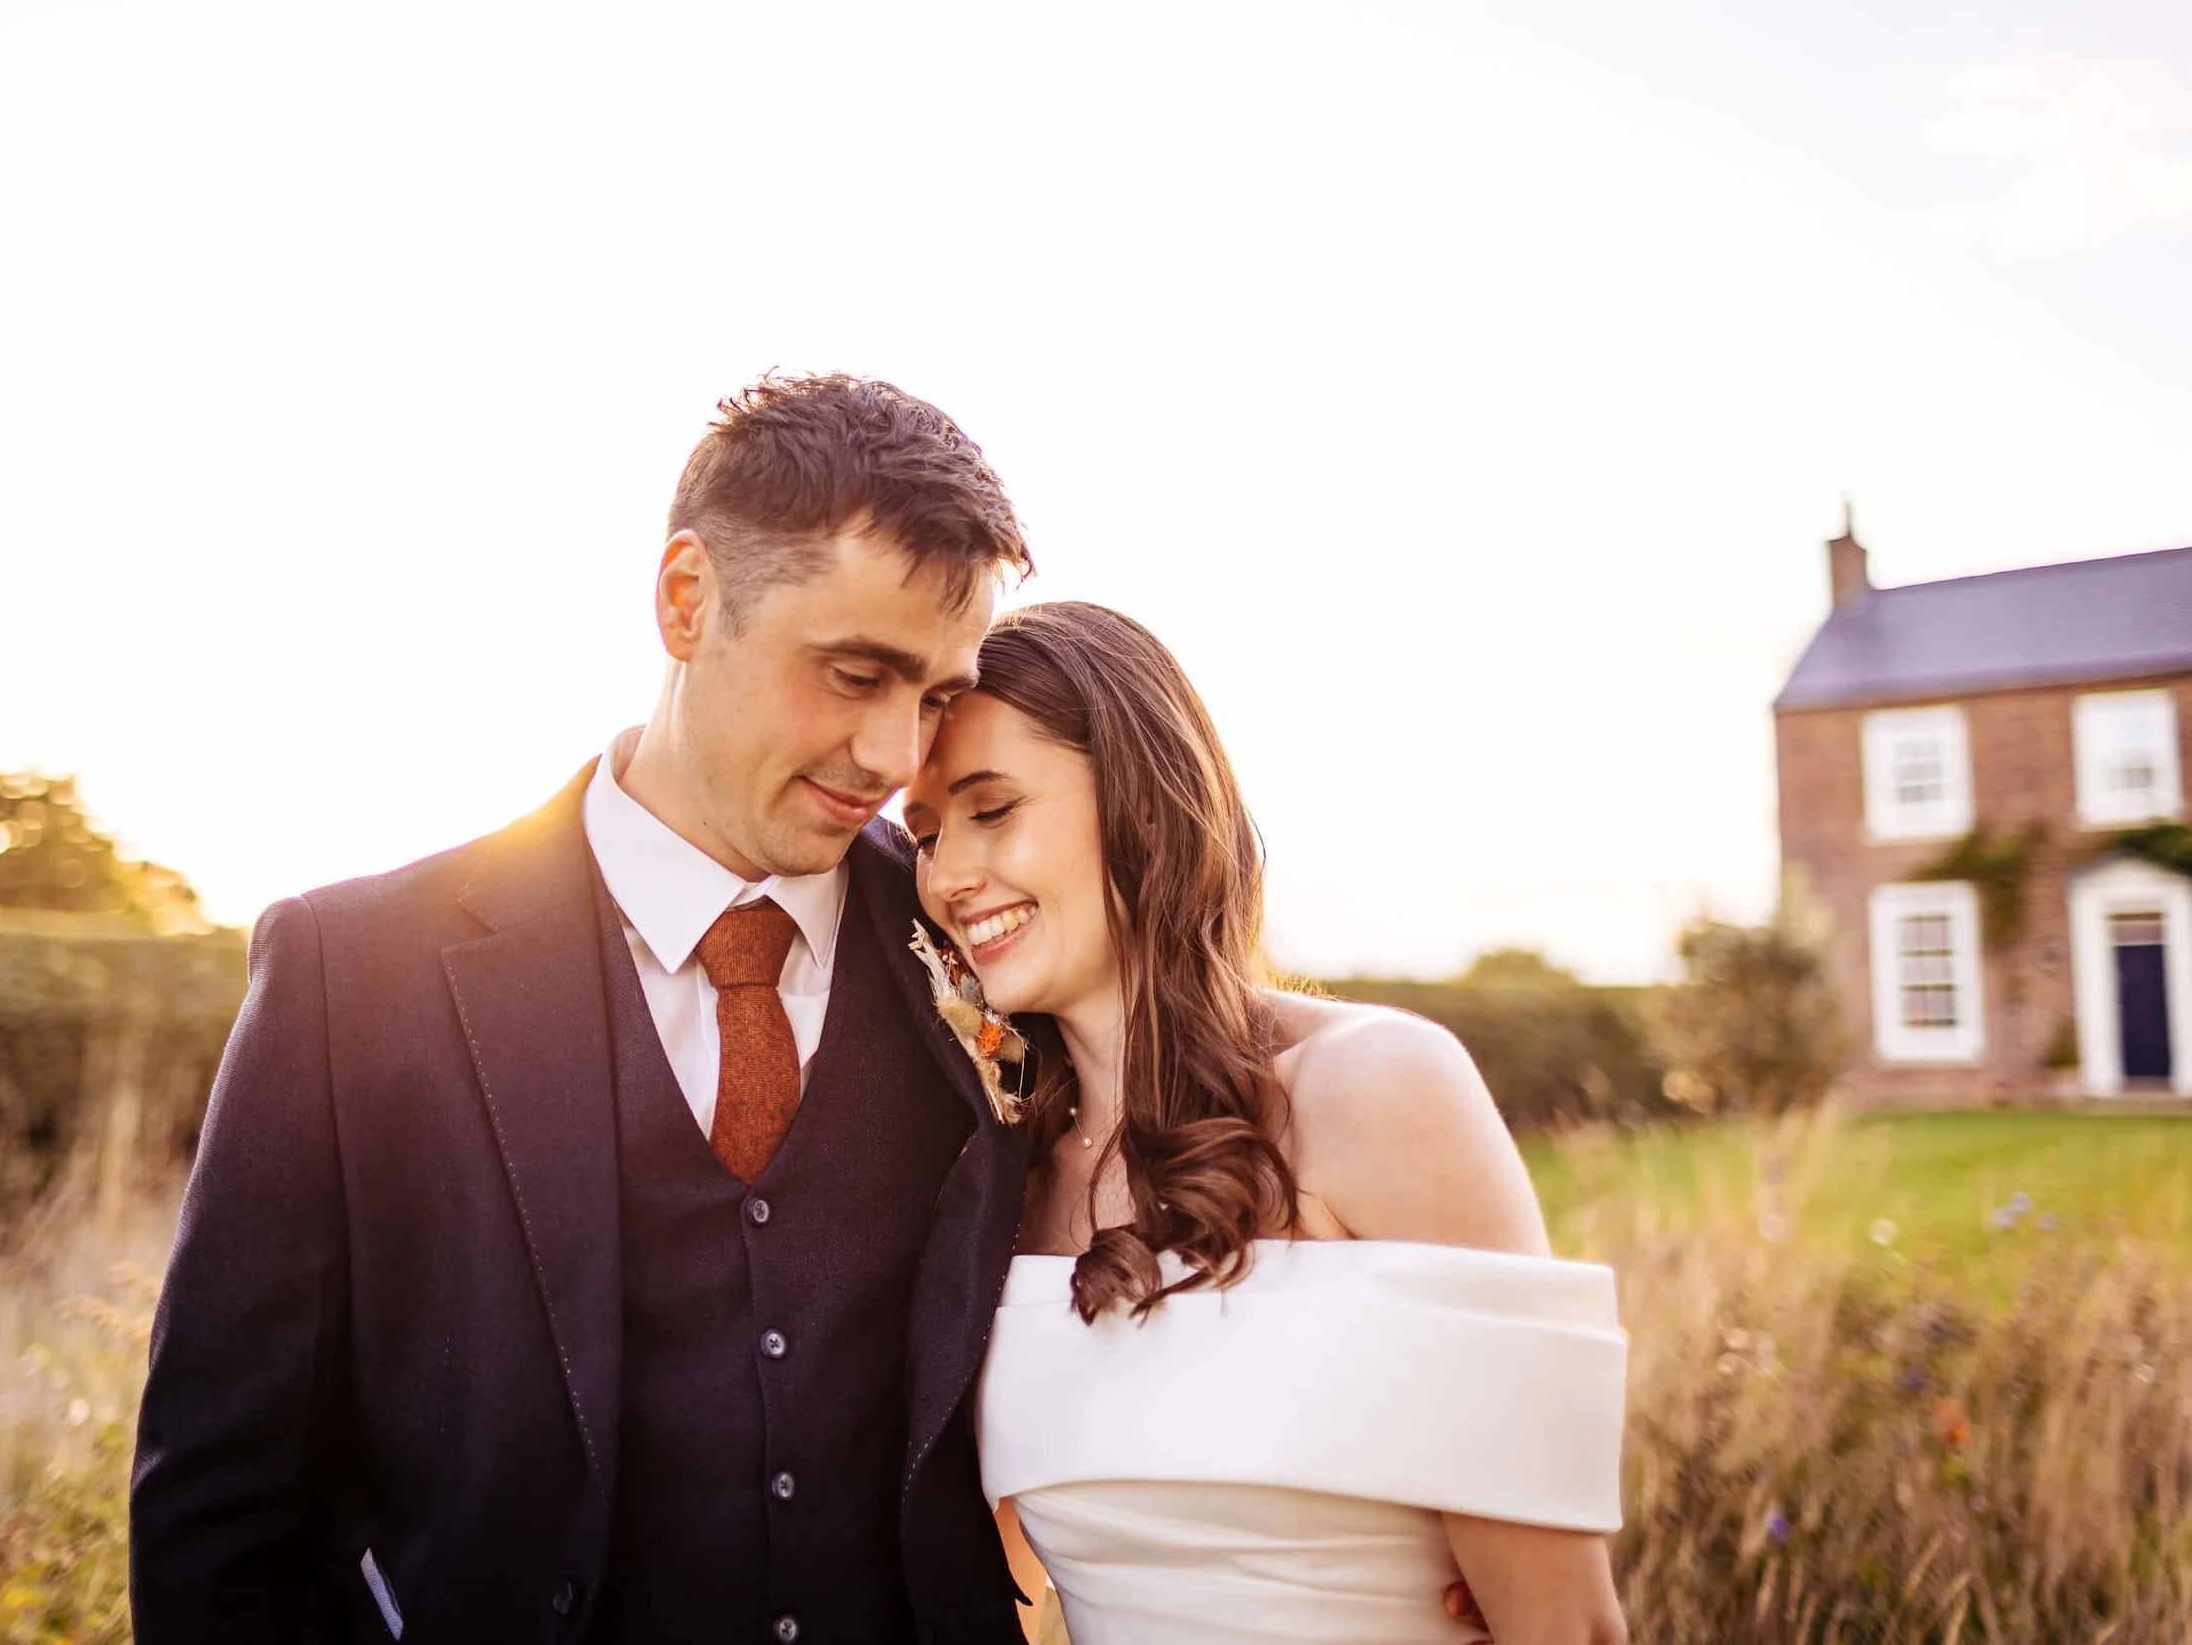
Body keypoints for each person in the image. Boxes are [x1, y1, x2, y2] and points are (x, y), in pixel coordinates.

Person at [129, 372, 1045, 1642]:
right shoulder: (353, 973)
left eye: (937, 696)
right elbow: (221, 1510)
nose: (897, 756)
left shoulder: (985, 948)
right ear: (687, 600)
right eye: (854, 673)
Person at [904, 601, 1629, 1645]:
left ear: (1144, 802)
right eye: (924, 834)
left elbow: (1566, 1624)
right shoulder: (997, 1186)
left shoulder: (1378, 1088)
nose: (945, 875)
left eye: (992, 808)